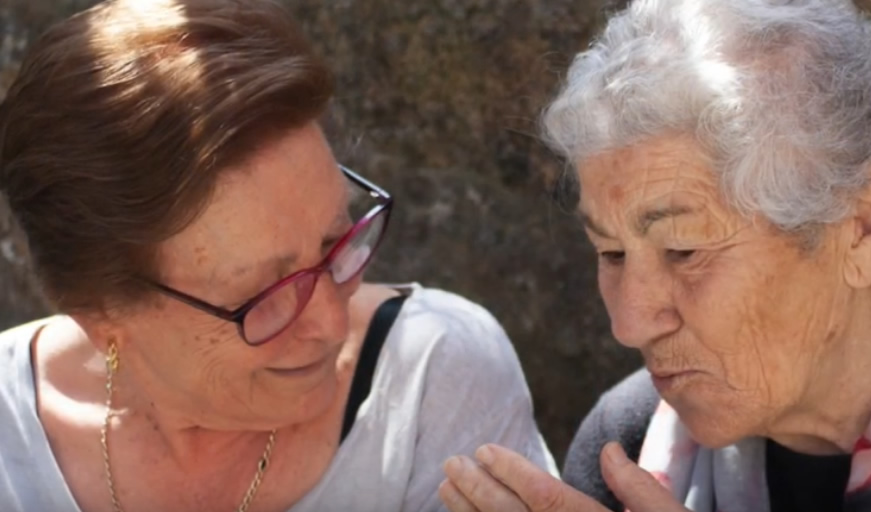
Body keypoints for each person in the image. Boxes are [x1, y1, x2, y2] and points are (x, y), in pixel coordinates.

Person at [0, 1, 555, 511]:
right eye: (261, 297)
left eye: (332, 245)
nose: (333, 323)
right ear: (102, 315)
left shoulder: (436, 383)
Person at [438, 0, 871, 511]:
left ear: (863, 226)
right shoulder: (627, 442)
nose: (628, 325)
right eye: (609, 252)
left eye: (683, 250)